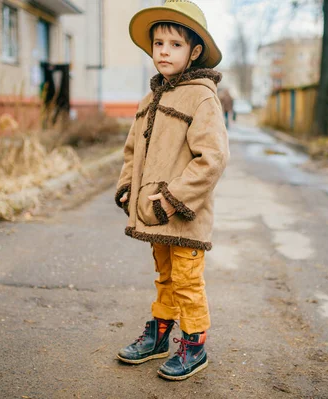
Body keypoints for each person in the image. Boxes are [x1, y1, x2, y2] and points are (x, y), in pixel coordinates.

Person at [114, 0, 229, 381]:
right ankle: (160, 333)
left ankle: (194, 344)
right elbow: (134, 151)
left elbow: (211, 158)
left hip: (182, 212)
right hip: (152, 213)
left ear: (194, 52)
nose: (164, 50)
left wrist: (171, 197)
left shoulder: (201, 96)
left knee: (186, 278)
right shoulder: (150, 99)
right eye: (158, 43)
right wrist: (129, 186)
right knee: (164, 275)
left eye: (175, 44)